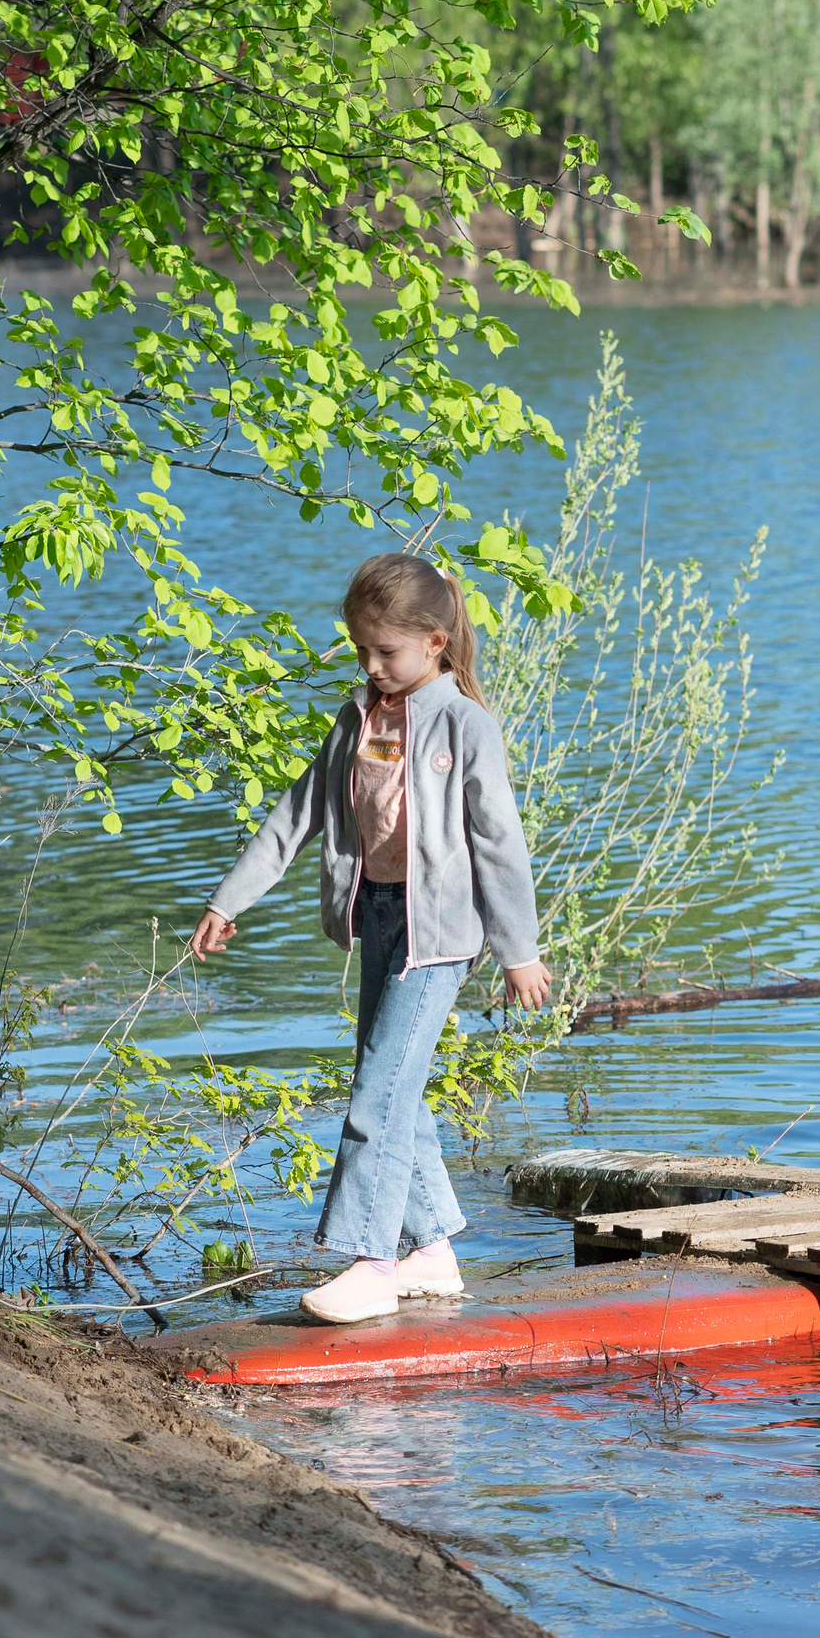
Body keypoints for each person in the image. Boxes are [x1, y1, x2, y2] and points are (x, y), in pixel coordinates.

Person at [191, 553, 551, 1325]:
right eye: (361, 650)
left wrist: (519, 951)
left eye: (385, 651)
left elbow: (499, 843)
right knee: (393, 1085)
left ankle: (372, 1258)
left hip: (443, 935)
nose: (372, 665)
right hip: (381, 916)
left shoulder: (464, 723)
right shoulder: (358, 719)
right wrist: (230, 899)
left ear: (435, 641)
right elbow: (296, 815)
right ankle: (433, 1249)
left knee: (376, 1095)